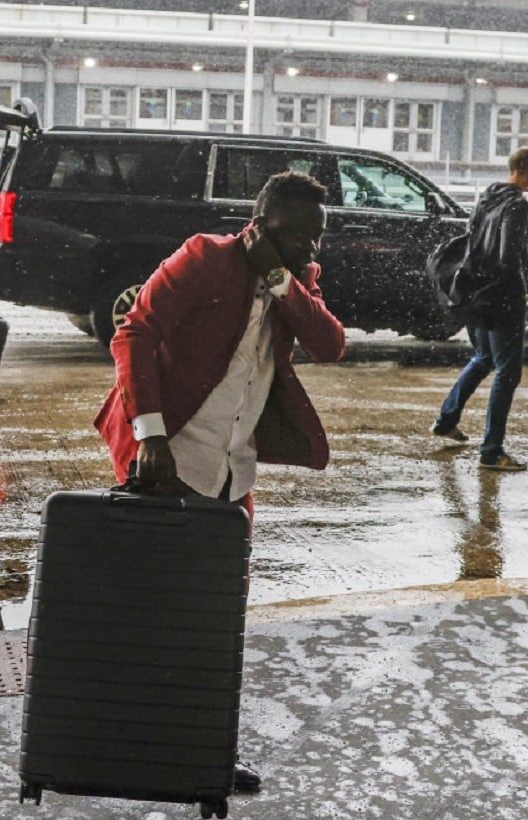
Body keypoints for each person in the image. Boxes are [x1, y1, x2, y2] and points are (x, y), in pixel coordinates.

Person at [94, 170, 346, 792]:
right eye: (297, 239)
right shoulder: (205, 258)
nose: (311, 252)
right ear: (259, 228)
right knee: (153, 611)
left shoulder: (295, 280)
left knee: (217, 619)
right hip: (167, 457)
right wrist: (150, 436)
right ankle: (122, 740)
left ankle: (205, 748)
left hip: (234, 473)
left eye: (318, 241)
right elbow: (134, 333)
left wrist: (286, 280)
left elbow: (331, 344)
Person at [430, 147, 528, 471]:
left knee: (484, 358)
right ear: (527, 168)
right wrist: (518, 282)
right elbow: (509, 257)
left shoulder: (488, 198)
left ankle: (446, 420)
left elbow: (474, 243)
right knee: (508, 371)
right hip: (501, 296)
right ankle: (492, 450)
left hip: (473, 292)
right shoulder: (518, 205)